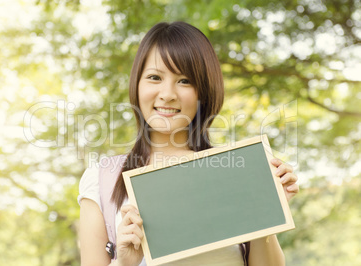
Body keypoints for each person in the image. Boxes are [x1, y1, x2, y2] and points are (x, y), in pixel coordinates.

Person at [78, 21, 299, 266]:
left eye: (184, 80)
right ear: (137, 84)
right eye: (154, 77)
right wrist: (125, 263)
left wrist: (268, 207)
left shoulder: (235, 171)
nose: (168, 93)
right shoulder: (102, 179)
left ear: (203, 91)